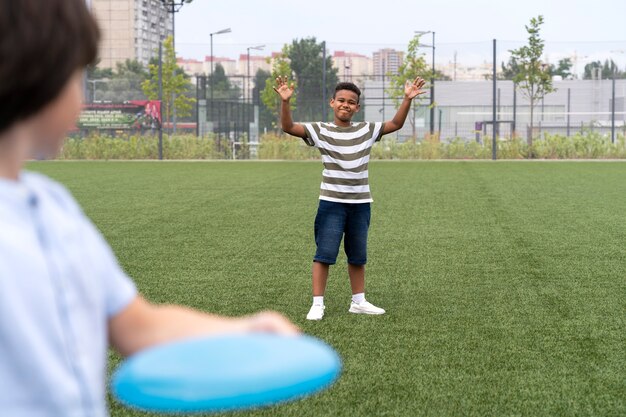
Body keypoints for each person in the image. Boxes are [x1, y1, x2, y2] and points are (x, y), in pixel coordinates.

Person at [0, 1, 298, 416]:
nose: (82, 94)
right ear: (41, 75)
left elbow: (138, 327)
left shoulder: (52, 207)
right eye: (78, 75)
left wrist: (245, 329)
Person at [274, 76, 426, 320]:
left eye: (351, 102)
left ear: (357, 107)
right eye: (341, 100)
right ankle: (317, 304)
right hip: (331, 203)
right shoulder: (320, 130)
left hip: (360, 204)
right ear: (332, 103)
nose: (346, 105)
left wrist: (407, 99)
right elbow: (288, 127)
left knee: (357, 255)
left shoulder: (366, 130)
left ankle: (359, 301)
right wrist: (285, 102)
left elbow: (396, 124)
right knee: (324, 253)